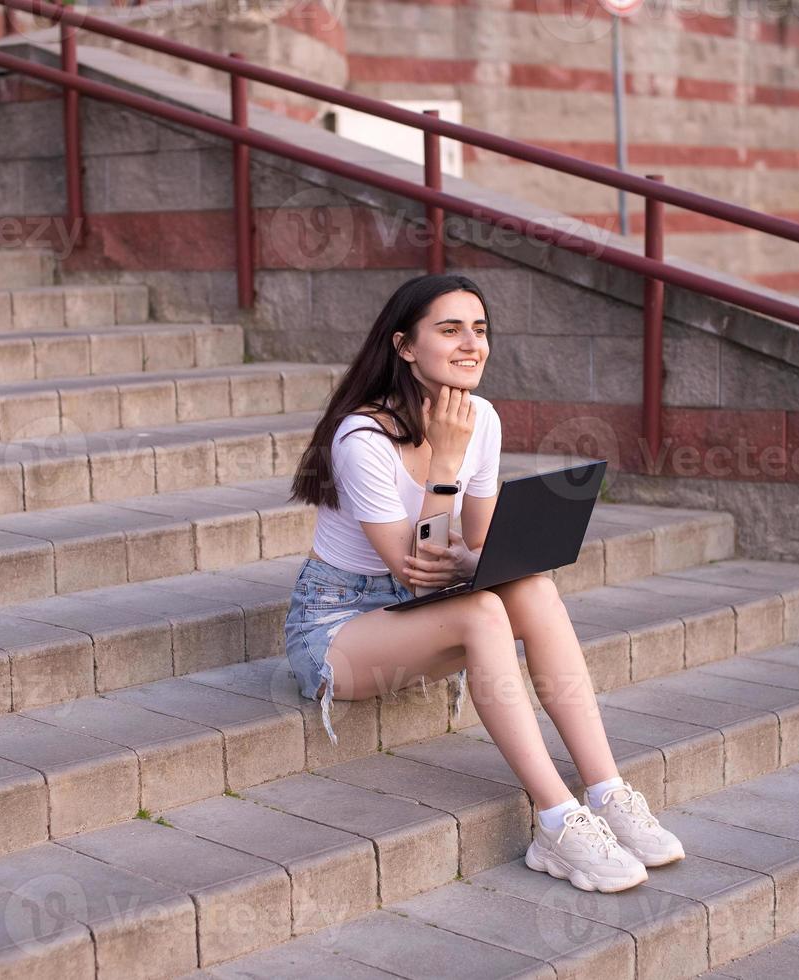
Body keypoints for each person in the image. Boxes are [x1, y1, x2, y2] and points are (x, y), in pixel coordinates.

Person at [285, 273, 684, 893]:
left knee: (533, 590)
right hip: (339, 628)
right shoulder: (361, 437)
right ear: (405, 347)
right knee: (482, 615)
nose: (472, 343)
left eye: (480, 329)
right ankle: (557, 821)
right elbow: (418, 572)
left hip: (421, 611)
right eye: (450, 329)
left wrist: (495, 559)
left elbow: (476, 545)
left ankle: (606, 791)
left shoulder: (483, 418)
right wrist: (444, 461)